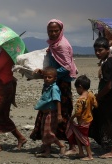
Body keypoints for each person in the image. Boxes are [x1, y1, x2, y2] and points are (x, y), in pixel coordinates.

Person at [30, 19, 78, 147]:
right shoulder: (53, 45)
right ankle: (48, 143)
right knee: (47, 111)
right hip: (52, 81)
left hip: (62, 84)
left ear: (61, 31)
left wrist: (51, 74)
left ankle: (72, 145)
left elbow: (67, 66)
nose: (53, 33)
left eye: (56, 31)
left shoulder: (62, 45)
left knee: (62, 113)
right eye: (50, 31)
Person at [0, 39, 27, 151]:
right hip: (1, 86)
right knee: (2, 115)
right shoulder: (0, 53)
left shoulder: (5, 53)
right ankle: (20, 138)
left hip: (3, 87)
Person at [33, 66, 66, 157]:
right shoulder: (46, 87)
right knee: (44, 132)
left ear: (55, 78)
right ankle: (47, 151)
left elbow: (57, 101)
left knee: (49, 132)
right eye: (45, 77)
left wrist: (59, 114)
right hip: (45, 113)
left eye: (49, 77)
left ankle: (61, 145)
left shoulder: (54, 88)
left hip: (52, 114)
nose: (47, 79)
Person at [65, 75, 98, 160]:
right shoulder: (91, 94)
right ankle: (81, 152)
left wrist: (72, 118)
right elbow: (96, 104)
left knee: (83, 137)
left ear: (80, 87)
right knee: (78, 135)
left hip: (83, 120)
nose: (77, 91)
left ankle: (90, 155)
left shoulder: (81, 99)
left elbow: (78, 112)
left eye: (77, 88)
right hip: (89, 118)